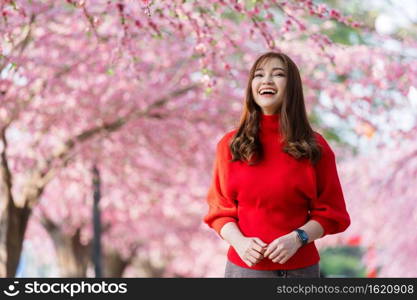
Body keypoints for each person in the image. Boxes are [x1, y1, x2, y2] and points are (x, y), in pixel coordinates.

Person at [203, 51, 351, 278]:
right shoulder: (230, 145)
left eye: (278, 74)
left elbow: (333, 213)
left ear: (291, 87)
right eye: (259, 75)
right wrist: (240, 242)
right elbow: (219, 211)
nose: (267, 80)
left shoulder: (315, 146)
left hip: (301, 271)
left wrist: (298, 238)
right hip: (245, 271)